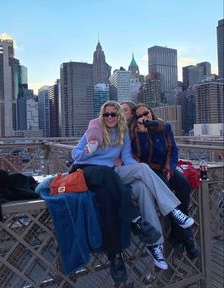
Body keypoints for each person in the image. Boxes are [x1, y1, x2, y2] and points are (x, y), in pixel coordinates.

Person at [84, 101, 194, 271]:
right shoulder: (98, 127)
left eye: (118, 112)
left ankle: (156, 246)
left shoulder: (127, 132)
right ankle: (174, 214)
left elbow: (130, 156)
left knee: (147, 188)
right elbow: (80, 153)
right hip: (108, 174)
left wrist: (167, 167)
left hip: (131, 171)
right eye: (108, 114)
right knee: (143, 171)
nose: (112, 116)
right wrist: (92, 151)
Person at [130, 102, 200, 259]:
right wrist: (142, 133)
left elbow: (173, 149)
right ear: (136, 119)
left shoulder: (164, 127)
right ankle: (187, 238)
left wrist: (170, 167)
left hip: (165, 167)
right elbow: (140, 154)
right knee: (166, 188)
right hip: (149, 169)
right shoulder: (135, 132)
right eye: (139, 116)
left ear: (151, 112)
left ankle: (177, 235)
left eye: (146, 113)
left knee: (182, 183)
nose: (144, 117)